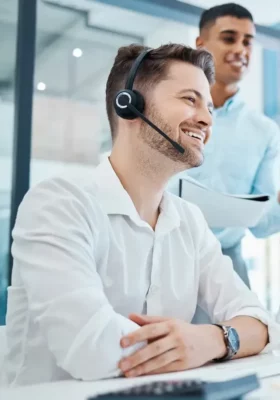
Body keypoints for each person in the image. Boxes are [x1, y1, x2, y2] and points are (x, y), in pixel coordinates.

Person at [4, 43, 279, 387]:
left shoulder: (189, 221)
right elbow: (92, 349)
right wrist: (204, 342)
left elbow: (261, 325)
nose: (208, 119)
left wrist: (209, 340)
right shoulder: (59, 204)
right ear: (129, 105)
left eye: (208, 106)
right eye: (190, 99)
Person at [169, 3, 280, 290]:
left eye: (248, 42)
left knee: (249, 333)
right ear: (201, 45)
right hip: (164, 250)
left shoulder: (265, 131)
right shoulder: (167, 109)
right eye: (229, 38)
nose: (241, 50)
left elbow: (261, 223)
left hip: (227, 262)